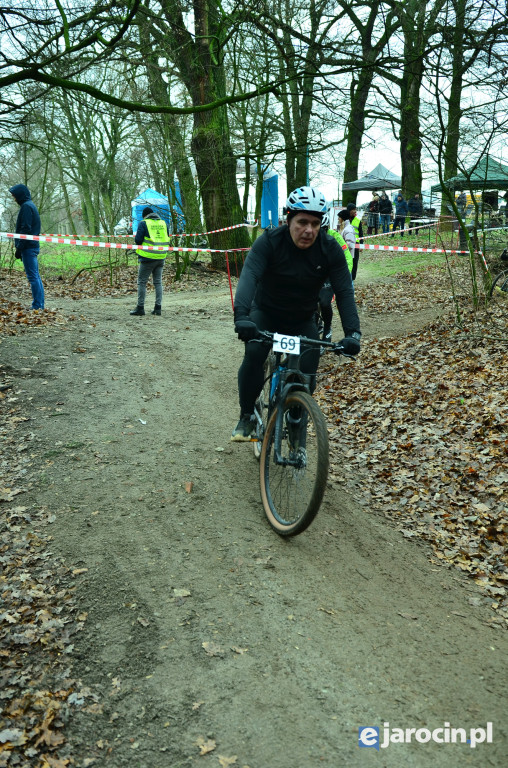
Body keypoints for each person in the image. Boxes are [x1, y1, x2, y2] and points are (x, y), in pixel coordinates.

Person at [231, 186, 361, 441]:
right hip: (265, 312)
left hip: (302, 318)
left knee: (308, 372)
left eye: (315, 223)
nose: (309, 230)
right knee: (255, 352)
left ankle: (296, 413)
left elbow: (345, 292)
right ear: (288, 219)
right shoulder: (269, 242)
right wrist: (242, 317)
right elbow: (249, 278)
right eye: (302, 222)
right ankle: (247, 414)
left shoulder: (329, 248)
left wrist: (353, 333)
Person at [316, 211, 354, 343]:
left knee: (325, 302)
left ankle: (327, 327)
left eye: (323, 230)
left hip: (330, 273)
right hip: (313, 273)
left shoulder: (334, 236)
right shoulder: (307, 237)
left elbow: (347, 256)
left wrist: (345, 275)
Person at [130, 207, 170, 316]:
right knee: (158, 282)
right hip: (161, 256)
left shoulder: (143, 223)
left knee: (142, 282)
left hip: (147, 257)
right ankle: (158, 308)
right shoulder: (163, 223)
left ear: (144, 215)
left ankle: (140, 308)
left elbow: (138, 240)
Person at [9, 184, 44, 310]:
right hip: (31, 246)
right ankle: (39, 305)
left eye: (14, 196)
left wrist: (19, 247)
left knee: (33, 277)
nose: (14, 199)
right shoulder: (30, 205)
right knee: (35, 276)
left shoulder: (26, 207)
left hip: (28, 247)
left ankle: (37, 306)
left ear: (20, 195)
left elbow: (25, 228)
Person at [346, 202, 363, 281]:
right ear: (349, 211)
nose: (355, 211)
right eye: (353, 209)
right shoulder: (344, 219)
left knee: (355, 261)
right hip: (346, 243)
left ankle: (352, 278)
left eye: (355, 209)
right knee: (347, 260)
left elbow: (361, 233)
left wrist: (361, 245)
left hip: (356, 244)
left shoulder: (358, 220)